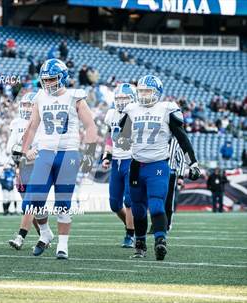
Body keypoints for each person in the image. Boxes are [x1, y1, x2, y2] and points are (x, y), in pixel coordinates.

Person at [115, 75, 201, 261]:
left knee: (155, 204)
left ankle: (160, 240)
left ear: (157, 92)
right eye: (142, 91)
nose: (144, 95)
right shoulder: (131, 109)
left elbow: (182, 138)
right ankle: (140, 244)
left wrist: (192, 162)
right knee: (137, 208)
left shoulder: (167, 109)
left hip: (158, 165)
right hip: (137, 165)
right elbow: (123, 137)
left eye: (148, 91)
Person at [20, 58, 98, 259]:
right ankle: (45, 233)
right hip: (45, 152)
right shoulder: (40, 97)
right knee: (33, 202)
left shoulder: (75, 97)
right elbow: (32, 126)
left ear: (62, 77)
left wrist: (89, 152)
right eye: (45, 80)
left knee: (63, 203)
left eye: (53, 79)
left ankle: (63, 245)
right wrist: (25, 150)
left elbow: (90, 126)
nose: (48, 84)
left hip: (68, 152)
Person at [102, 83, 136, 248]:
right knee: (115, 204)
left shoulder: (137, 114)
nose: (121, 102)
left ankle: (130, 234)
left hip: (131, 159)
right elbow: (109, 135)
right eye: (119, 98)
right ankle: (131, 226)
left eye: (125, 98)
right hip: (116, 161)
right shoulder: (111, 114)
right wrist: (107, 155)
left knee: (129, 201)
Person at [7, 92, 41, 250]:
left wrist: (24, 152)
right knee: (27, 205)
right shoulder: (16, 123)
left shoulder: (41, 122)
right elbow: (10, 146)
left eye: (30, 105)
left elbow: (39, 149)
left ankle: (21, 237)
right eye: (25, 104)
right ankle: (43, 234)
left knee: (29, 205)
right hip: (20, 168)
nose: (27, 108)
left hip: (35, 167)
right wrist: (19, 155)